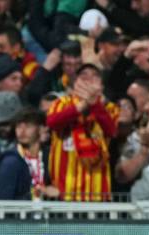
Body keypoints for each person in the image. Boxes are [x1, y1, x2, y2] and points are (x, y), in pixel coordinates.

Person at [46, 64, 118, 201]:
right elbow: (52, 122)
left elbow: (111, 131)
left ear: (102, 87)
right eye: (83, 75)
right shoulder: (61, 103)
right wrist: (82, 106)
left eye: (95, 76)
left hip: (97, 194)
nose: (88, 78)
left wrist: (95, 104)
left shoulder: (110, 108)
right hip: (64, 193)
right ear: (75, 84)